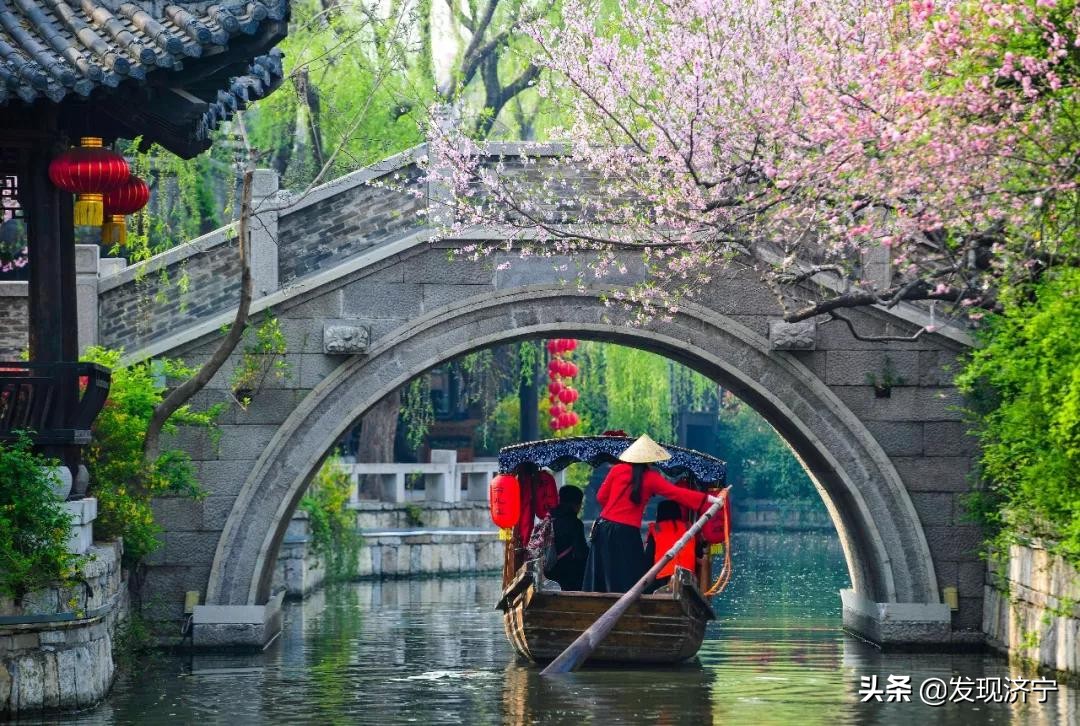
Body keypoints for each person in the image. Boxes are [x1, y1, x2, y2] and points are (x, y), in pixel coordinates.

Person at [583, 434, 721, 593]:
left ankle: (595, 603)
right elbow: (677, 493)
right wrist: (710, 499)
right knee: (631, 575)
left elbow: (601, 497)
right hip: (626, 532)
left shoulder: (617, 470)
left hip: (603, 527)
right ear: (650, 460)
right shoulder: (651, 478)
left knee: (603, 572)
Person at [644, 499, 698, 594]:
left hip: (663, 579)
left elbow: (647, 560)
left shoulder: (657, 529)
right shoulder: (689, 528)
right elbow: (698, 552)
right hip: (688, 579)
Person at [544, 485, 590, 590]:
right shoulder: (575, 523)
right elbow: (581, 553)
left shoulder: (549, 517)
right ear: (576, 504)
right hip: (566, 576)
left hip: (547, 572)